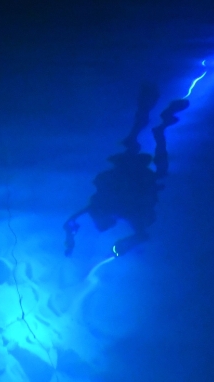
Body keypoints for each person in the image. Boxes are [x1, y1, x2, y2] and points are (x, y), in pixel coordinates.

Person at [64, 83, 189, 256]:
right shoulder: (114, 211)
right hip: (136, 175)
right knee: (148, 158)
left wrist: (70, 240)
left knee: (144, 154)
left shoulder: (107, 210)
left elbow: (70, 221)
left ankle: (157, 120)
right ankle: (160, 126)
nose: (99, 224)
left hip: (130, 173)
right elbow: (141, 234)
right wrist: (123, 246)